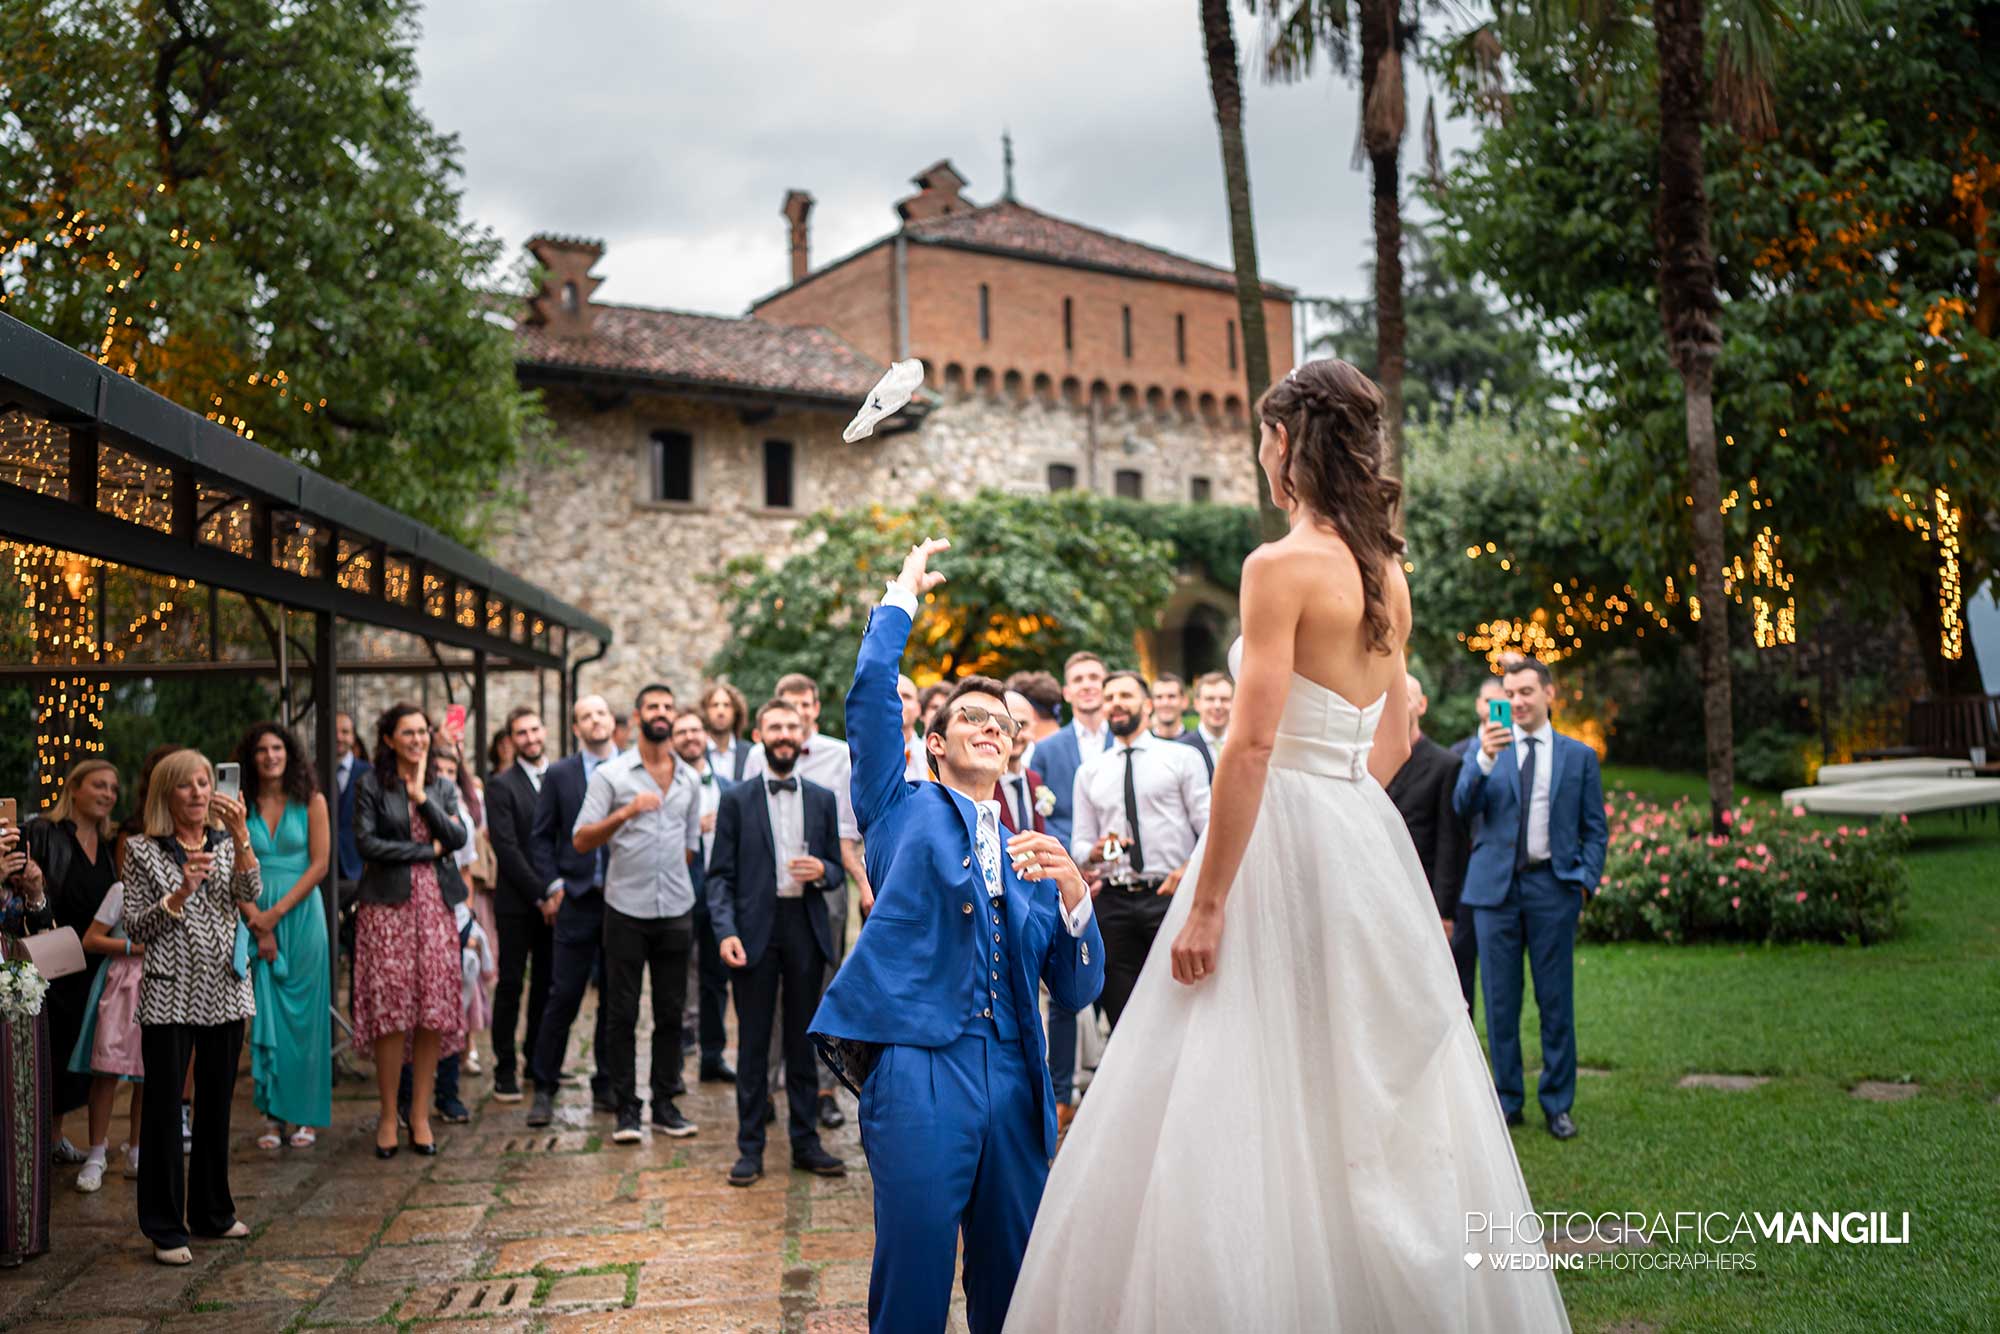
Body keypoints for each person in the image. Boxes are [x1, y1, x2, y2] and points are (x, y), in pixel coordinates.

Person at [1007, 360, 1569, 1331]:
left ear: (1293, 444)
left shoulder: (1277, 567)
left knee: (1239, 1058)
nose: (1262, 456)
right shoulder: (1384, 572)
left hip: (1275, 837)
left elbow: (1252, 743)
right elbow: (1391, 744)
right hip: (1359, 832)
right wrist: (1344, 824)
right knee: (1354, 1065)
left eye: (1267, 437)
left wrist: (1213, 898)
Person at [811, 537, 1103, 1334]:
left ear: (1014, 749)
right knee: (915, 1274)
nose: (990, 726)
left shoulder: (1032, 852)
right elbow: (871, 692)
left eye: (1003, 722)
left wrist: (1075, 895)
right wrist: (900, 597)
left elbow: (1076, 988)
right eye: (968, 716)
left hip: (1015, 1073)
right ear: (934, 743)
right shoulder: (897, 808)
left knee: (1015, 1277)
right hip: (918, 1063)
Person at [1454, 657, 1607, 1142]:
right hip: (1493, 894)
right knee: (1500, 1003)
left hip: (1552, 890)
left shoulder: (1578, 757)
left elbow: (1594, 829)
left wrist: (1582, 882)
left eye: (1525, 692)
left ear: (1548, 694)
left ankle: (1558, 1104)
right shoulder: (1484, 749)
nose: (1516, 702)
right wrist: (1483, 760)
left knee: (1555, 1000)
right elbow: (1461, 806)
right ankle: (1507, 1100)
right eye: (1509, 694)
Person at [121, 749, 260, 1266]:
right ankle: (164, 1226)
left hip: (225, 988)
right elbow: (135, 926)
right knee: (162, 1111)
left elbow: (251, 892)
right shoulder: (140, 850)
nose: (200, 792)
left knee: (217, 1104)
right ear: (167, 794)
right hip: (169, 992)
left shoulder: (227, 842)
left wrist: (243, 837)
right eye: (187, 785)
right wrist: (181, 892)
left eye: (206, 782)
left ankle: (213, 1213)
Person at [709, 697, 848, 1186]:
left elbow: (836, 869)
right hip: (753, 932)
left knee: (803, 1040)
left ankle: (806, 1143)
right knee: (752, 1044)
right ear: (761, 734)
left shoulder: (823, 798)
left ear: (803, 732)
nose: (785, 734)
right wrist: (725, 931)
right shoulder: (735, 799)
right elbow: (719, 876)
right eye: (775, 727)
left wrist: (824, 871)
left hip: (804, 929)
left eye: (792, 726)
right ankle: (750, 1148)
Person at [572, 684, 702, 1143]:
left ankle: (666, 1104)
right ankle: (627, 1108)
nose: (662, 713)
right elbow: (582, 838)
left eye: (669, 706)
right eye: (654, 707)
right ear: (639, 715)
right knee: (621, 1012)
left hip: (676, 910)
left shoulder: (689, 779)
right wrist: (627, 812)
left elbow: (690, 848)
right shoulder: (612, 775)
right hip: (625, 909)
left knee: (671, 1013)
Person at [743, 673, 866, 1131]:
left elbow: (849, 829)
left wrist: (836, 871)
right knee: (768, 992)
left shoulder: (838, 754)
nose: (796, 713)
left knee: (821, 985)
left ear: (814, 708)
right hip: (768, 892)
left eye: (804, 704)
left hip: (824, 883)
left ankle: (823, 1087)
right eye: (787, 704)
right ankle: (771, 1084)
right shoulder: (758, 756)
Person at [353, 703, 470, 1159]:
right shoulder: (371, 785)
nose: (418, 739)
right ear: (389, 739)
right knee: (391, 1010)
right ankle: (387, 1113)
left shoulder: (441, 784)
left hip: (436, 908)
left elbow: (458, 840)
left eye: (423, 731)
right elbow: (367, 843)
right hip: (387, 910)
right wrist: (424, 851)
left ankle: (419, 1115)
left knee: (431, 1011)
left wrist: (423, 797)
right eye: (408, 732)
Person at [1070, 669, 1211, 1032]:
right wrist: (1097, 852)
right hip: (1114, 903)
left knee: (1181, 1003)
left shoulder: (1182, 758)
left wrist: (1188, 871)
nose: (1116, 703)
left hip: (1169, 895)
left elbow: (1209, 825)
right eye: (1110, 698)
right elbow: (1080, 846)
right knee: (1123, 1013)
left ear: (1146, 705)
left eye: (1126, 696)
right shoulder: (1090, 772)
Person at [13, 759, 119, 1161]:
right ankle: (43, 1139)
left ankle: (55, 1138)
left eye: (113, 788)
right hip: (52, 956)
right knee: (50, 1050)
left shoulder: (108, 845)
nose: (108, 794)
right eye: (99, 785)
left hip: (92, 961)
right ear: (74, 788)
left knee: (81, 1053)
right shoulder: (44, 831)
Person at [1021, 650, 1111, 1121]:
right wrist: (1071, 870)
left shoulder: (1127, 737)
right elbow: (1043, 815)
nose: (1089, 685)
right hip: (1067, 880)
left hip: (1116, 882)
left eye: (1096, 677)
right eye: (1079, 678)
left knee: (1115, 984)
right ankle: (1061, 1093)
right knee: (1064, 989)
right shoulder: (1048, 748)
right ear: (1067, 690)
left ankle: (1115, 1082)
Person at [235, 723, 333, 1149]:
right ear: (251, 758)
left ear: (290, 754)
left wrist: (274, 914)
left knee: (307, 1019)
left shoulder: (311, 800)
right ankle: (272, 1116)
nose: (270, 756)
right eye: (261, 750)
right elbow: (230, 863)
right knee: (264, 1012)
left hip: (300, 913)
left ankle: (305, 1116)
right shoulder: (240, 805)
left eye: (277, 748)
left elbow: (321, 864)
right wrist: (257, 918)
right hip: (253, 911)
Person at [525, 695, 619, 1127]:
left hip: (623, 902)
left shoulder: (631, 768)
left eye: (600, 713)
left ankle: (608, 1083)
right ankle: (543, 1086)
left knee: (616, 998)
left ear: (611, 721)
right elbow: (541, 837)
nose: (594, 720)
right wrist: (553, 885)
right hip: (577, 900)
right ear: (576, 727)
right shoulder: (560, 774)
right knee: (563, 994)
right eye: (585, 716)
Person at [484, 707, 553, 1103]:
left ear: (543, 731)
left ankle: (538, 1059)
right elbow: (507, 848)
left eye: (534, 729)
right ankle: (504, 1066)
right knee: (511, 983)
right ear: (511, 740)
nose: (529, 738)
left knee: (547, 983)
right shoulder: (501, 785)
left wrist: (557, 892)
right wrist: (540, 893)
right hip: (517, 902)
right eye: (520, 733)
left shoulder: (558, 777)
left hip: (556, 902)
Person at [1385, 674, 1471, 994]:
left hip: (1423, 890)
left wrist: (1444, 910)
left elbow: (1451, 843)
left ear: (1421, 705)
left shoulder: (1445, 764)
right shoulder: (1367, 757)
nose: (1395, 705)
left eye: (1404, 698)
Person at [69, 877, 145, 1191]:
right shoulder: (122, 890)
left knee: (146, 1073)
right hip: (121, 985)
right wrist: (130, 946)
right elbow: (91, 939)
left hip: (155, 986)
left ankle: (138, 1150)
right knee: (106, 1071)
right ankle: (96, 1152)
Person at [1, 820, 53, 1266]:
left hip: (17, 992)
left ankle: (21, 1231)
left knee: (20, 1107)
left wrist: (33, 889)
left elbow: (39, 927)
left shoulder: (14, 874)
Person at [673, 710, 735, 1084]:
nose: (691, 736)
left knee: (716, 979)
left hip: (719, 891)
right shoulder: (667, 783)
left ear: (706, 737)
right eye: (683, 732)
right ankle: (674, 1064)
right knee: (676, 978)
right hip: (679, 888)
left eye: (695, 730)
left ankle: (713, 1056)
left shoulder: (727, 785)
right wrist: (692, 827)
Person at [1447, 675, 1512, 1011]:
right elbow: (1456, 811)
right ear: (1478, 704)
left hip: (1501, 872)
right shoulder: (1458, 754)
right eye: (1489, 701)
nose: (1493, 708)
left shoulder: (1517, 750)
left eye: (1501, 701)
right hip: (1463, 873)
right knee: (1460, 956)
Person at [995, 691, 1048, 836]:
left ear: (1033, 728)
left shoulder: (1035, 780)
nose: (1015, 734)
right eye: (1006, 725)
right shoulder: (983, 784)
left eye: (1022, 725)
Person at [333, 712, 371, 899]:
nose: (339, 737)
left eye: (345, 732)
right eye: (335, 731)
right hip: (324, 871)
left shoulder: (369, 773)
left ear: (353, 737)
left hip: (358, 868)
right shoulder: (313, 772)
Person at [1181, 671, 1234, 779]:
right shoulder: (1181, 748)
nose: (1217, 705)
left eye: (1224, 699)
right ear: (1197, 704)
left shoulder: (1244, 747)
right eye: (1210, 699)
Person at [701, 682, 756, 783]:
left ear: (736, 711)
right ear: (705, 711)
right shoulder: (697, 752)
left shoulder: (751, 752)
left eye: (727, 705)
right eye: (714, 705)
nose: (720, 711)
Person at [896, 674, 927, 780]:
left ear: (918, 709)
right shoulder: (858, 757)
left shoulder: (933, 758)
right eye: (892, 695)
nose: (899, 701)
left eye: (906, 696)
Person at [1148, 673, 1190, 740]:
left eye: (1171, 696)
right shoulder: (1141, 745)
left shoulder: (1196, 746)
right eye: (1159, 697)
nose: (1165, 703)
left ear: (1184, 701)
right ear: (1151, 703)